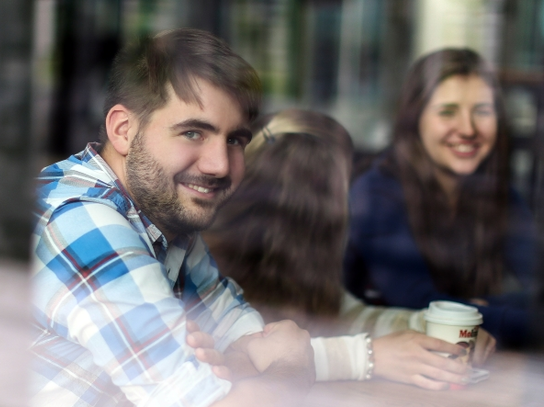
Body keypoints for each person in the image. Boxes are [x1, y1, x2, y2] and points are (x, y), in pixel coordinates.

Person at [30, 28, 316, 407]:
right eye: (193, 133)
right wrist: (294, 370)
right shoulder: (81, 223)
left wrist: (246, 365)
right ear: (123, 130)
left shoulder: (165, 219)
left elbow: (249, 340)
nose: (219, 166)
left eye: (235, 141)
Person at [205, 109, 494, 390]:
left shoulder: (302, 279)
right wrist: (368, 357)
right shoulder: (203, 275)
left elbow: (352, 317)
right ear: (320, 217)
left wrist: (430, 328)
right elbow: (248, 358)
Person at [343, 48, 535, 346]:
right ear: (415, 117)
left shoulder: (498, 194)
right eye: (448, 112)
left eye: (482, 111)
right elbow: (420, 309)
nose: (468, 128)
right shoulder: (376, 193)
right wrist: (493, 311)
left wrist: (481, 307)